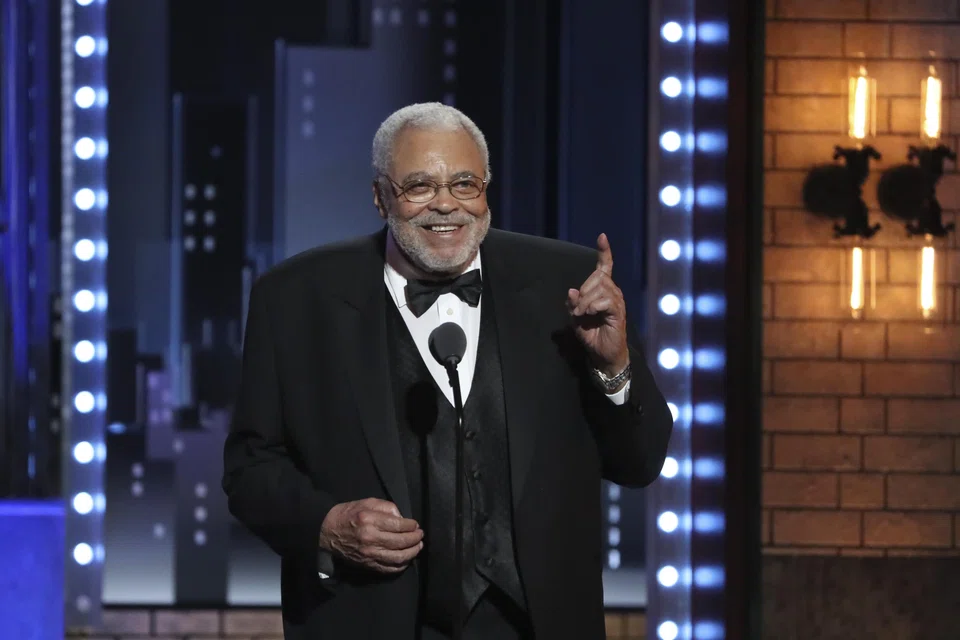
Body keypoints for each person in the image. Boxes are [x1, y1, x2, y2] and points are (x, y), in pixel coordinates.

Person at [222, 102, 673, 640]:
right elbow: (250, 469)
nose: (445, 206)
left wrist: (614, 365)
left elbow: (639, 463)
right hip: (370, 622)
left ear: (487, 189)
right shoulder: (295, 299)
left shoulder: (568, 285)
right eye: (418, 186)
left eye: (464, 184)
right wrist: (326, 525)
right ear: (379, 196)